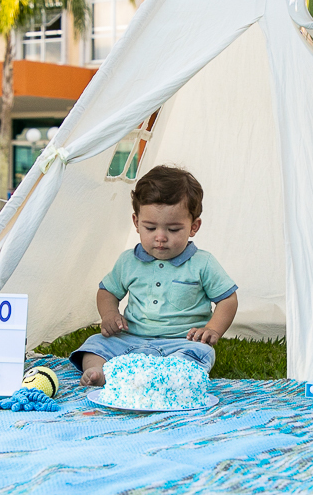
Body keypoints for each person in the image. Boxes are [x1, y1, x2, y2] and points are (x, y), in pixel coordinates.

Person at [71, 165, 239, 386]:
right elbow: (107, 291)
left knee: (198, 354)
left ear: (193, 227)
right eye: (150, 228)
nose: (161, 237)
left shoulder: (202, 263)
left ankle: (162, 379)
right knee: (95, 344)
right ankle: (99, 373)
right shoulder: (128, 261)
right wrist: (110, 315)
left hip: (180, 343)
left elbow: (227, 299)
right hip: (129, 339)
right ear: (136, 223)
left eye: (173, 229)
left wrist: (212, 329)